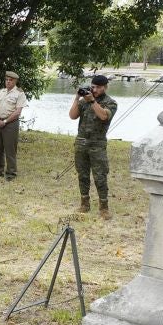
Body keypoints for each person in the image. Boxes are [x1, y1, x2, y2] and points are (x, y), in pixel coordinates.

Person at [69, 74, 117, 218]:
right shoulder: (84, 101)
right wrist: (78, 98)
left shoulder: (111, 103)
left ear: (105, 88)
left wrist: (92, 101)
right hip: (82, 143)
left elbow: (104, 116)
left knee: (100, 176)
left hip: (98, 144)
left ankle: (104, 207)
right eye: (93, 86)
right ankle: (84, 203)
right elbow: (72, 115)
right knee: (82, 175)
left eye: (98, 87)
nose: (94, 90)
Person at [0, 71, 27, 181]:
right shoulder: (0, 92)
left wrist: (5, 121)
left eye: (10, 80)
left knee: (10, 149)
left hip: (10, 124)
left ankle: (11, 173)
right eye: (6, 80)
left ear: (15, 81)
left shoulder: (19, 93)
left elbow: (18, 112)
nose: (8, 82)